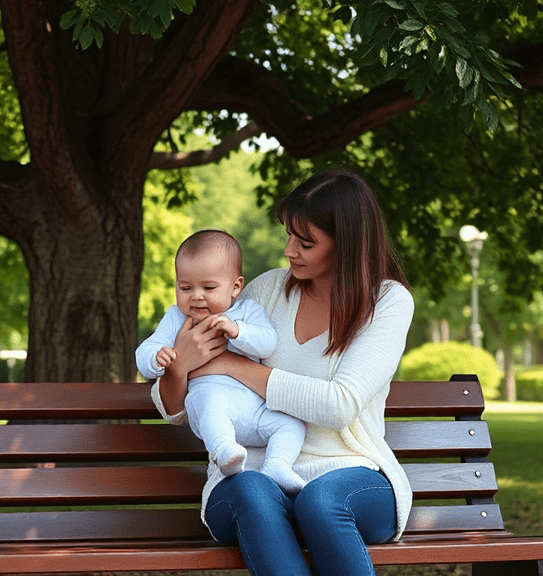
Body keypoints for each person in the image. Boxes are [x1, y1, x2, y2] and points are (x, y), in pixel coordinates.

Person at [152, 170, 414, 576]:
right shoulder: (266, 290)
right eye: (289, 235)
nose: (290, 250)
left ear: (346, 245)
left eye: (306, 242)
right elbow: (175, 409)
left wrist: (231, 364)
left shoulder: (387, 301)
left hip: (349, 475)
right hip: (251, 478)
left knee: (319, 501)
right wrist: (180, 365)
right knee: (253, 489)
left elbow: (339, 405)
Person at [136, 229, 307, 493]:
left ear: (236, 287)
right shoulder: (175, 318)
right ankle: (224, 452)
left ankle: (278, 464)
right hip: (212, 397)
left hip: (254, 406)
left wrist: (238, 331)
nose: (196, 296)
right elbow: (145, 351)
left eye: (208, 287)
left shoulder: (247, 311)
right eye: (185, 287)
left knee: (291, 422)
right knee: (208, 404)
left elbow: (267, 341)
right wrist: (156, 358)